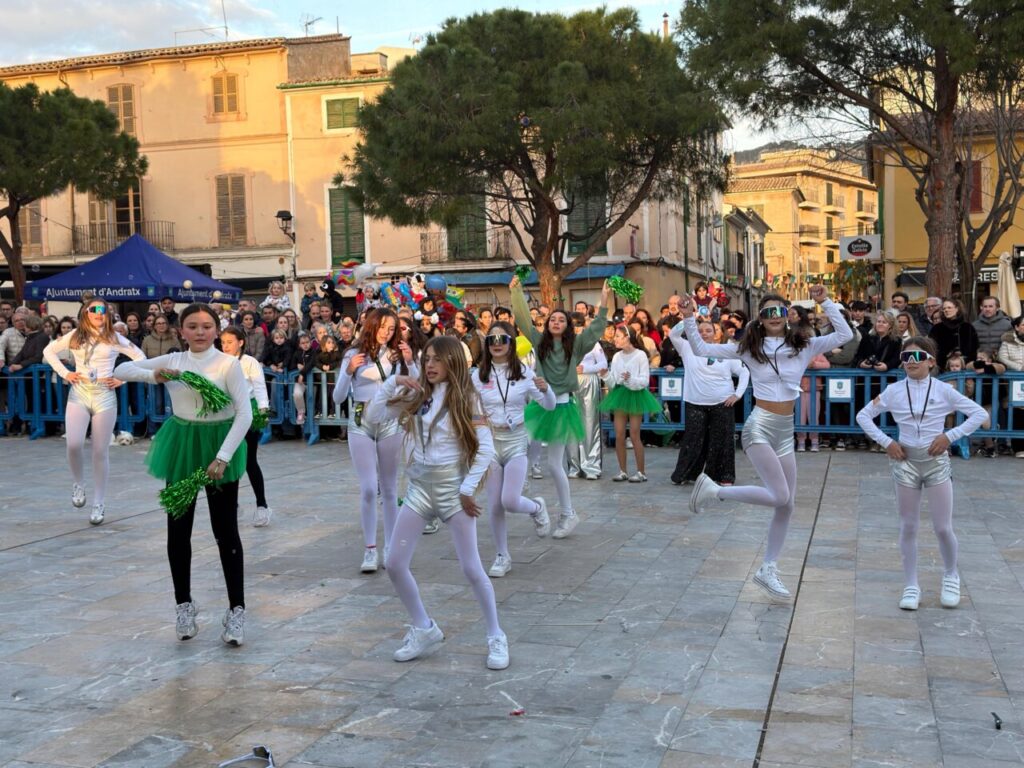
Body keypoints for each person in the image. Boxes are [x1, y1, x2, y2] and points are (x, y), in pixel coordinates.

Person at [682, 285, 853, 599]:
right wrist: (688, 317)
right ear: (759, 320)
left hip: (784, 430)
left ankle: (768, 568)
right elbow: (702, 349)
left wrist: (824, 301)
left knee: (786, 504)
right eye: (767, 312)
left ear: (788, 315)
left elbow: (845, 334)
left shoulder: (804, 345)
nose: (774, 316)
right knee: (778, 496)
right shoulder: (748, 348)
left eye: (779, 310)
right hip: (759, 426)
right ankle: (716, 491)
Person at [364, 336, 507, 669]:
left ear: (453, 362)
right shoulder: (415, 395)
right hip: (418, 489)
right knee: (395, 562)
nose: (429, 365)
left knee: (471, 568)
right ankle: (423, 627)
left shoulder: (467, 398)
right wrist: (392, 382)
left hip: (452, 490)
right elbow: (372, 417)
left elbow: (486, 448)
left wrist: (468, 489)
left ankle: (496, 635)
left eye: (437, 359)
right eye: (426, 358)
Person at [114, 303, 252, 645]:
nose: (200, 332)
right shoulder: (174, 361)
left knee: (226, 532)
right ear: (182, 331)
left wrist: (222, 456)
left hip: (219, 448)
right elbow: (125, 368)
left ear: (217, 330)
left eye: (207, 326)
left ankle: (236, 611)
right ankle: (184, 605)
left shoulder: (228, 364)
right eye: (193, 326)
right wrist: (154, 375)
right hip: (181, 445)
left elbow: (244, 414)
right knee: (178, 530)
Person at [856, 337, 987, 610]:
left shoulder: (944, 390)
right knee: (908, 526)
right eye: (906, 357)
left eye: (917, 357)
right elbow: (863, 416)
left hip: (935, 462)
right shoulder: (893, 391)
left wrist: (949, 436)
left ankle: (951, 575)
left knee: (942, 527)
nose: (911, 363)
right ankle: (911, 584)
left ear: (931, 361)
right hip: (905, 463)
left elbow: (976, 414)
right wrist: (887, 442)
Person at [509, 276, 613, 538]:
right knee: (523, 443)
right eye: (552, 319)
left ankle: (568, 514)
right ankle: (522, 488)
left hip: (563, 406)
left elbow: (596, 329)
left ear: (567, 325)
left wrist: (603, 301)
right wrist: (516, 292)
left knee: (555, 465)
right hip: (540, 406)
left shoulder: (576, 345)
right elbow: (522, 319)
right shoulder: (538, 340)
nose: (556, 322)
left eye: (561, 320)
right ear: (546, 323)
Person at [43, 299, 144, 525]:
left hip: (104, 396)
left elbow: (141, 358)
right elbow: (49, 351)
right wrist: (65, 373)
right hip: (79, 393)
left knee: (100, 450)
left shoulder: (115, 337)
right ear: (86, 312)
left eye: (103, 310)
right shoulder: (75, 335)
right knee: (73, 444)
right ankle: (78, 484)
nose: (99, 313)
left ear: (108, 314)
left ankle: (99, 502)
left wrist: (122, 378)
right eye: (94, 309)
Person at [333, 308, 415, 573]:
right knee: (369, 488)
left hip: (391, 422)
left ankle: (391, 546)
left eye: (392, 329)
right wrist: (348, 371)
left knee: (390, 489)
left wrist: (410, 361)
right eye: (383, 327)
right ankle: (370, 549)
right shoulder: (352, 354)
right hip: (361, 421)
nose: (387, 333)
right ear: (371, 326)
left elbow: (416, 385)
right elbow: (337, 397)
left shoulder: (397, 354)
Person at [472, 321, 555, 577]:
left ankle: (537, 508)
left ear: (511, 342)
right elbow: (467, 408)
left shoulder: (525, 373)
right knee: (495, 504)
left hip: (517, 440)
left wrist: (547, 389)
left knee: (510, 500)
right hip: (490, 442)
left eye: (503, 339)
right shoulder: (477, 375)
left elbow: (549, 405)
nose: (497, 345)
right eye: (492, 340)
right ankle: (502, 555)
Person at [668, 317, 748, 485]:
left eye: (708, 331)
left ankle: (723, 476)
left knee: (723, 441)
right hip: (695, 403)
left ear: (716, 334)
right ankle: (687, 475)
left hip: (722, 403)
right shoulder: (687, 347)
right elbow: (672, 334)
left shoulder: (725, 351)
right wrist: (688, 317)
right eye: (700, 331)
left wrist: (738, 394)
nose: (704, 334)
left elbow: (744, 373)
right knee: (693, 440)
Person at [220, 326, 273, 527]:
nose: (225, 346)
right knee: (227, 459)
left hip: (247, 411)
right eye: (223, 342)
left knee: (250, 460)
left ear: (240, 342)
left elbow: (259, 386)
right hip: (225, 414)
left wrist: (263, 410)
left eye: (229, 342)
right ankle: (232, 504)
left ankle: (262, 506)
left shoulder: (249, 362)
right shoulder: (219, 361)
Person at [599, 324, 662, 482]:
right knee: (619, 434)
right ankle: (623, 470)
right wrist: (606, 375)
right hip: (620, 394)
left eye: (618, 336)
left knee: (634, 434)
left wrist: (630, 379)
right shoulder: (616, 356)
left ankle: (641, 472)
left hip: (636, 395)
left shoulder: (640, 355)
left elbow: (644, 380)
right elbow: (613, 381)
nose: (615, 339)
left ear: (627, 337)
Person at [997, 314, 1024, 457]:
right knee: (1017, 413)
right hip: (1014, 384)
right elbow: (1002, 357)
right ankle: (1019, 447)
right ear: (1017, 327)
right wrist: (1019, 367)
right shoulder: (1007, 342)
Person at [928, 298, 978, 368]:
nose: (946, 310)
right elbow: (931, 348)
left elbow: (974, 348)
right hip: (943, 367)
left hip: (966, 367)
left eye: (949, 308)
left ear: (957, 309)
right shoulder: (937, 328)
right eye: (944, 308)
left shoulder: (967, 327)